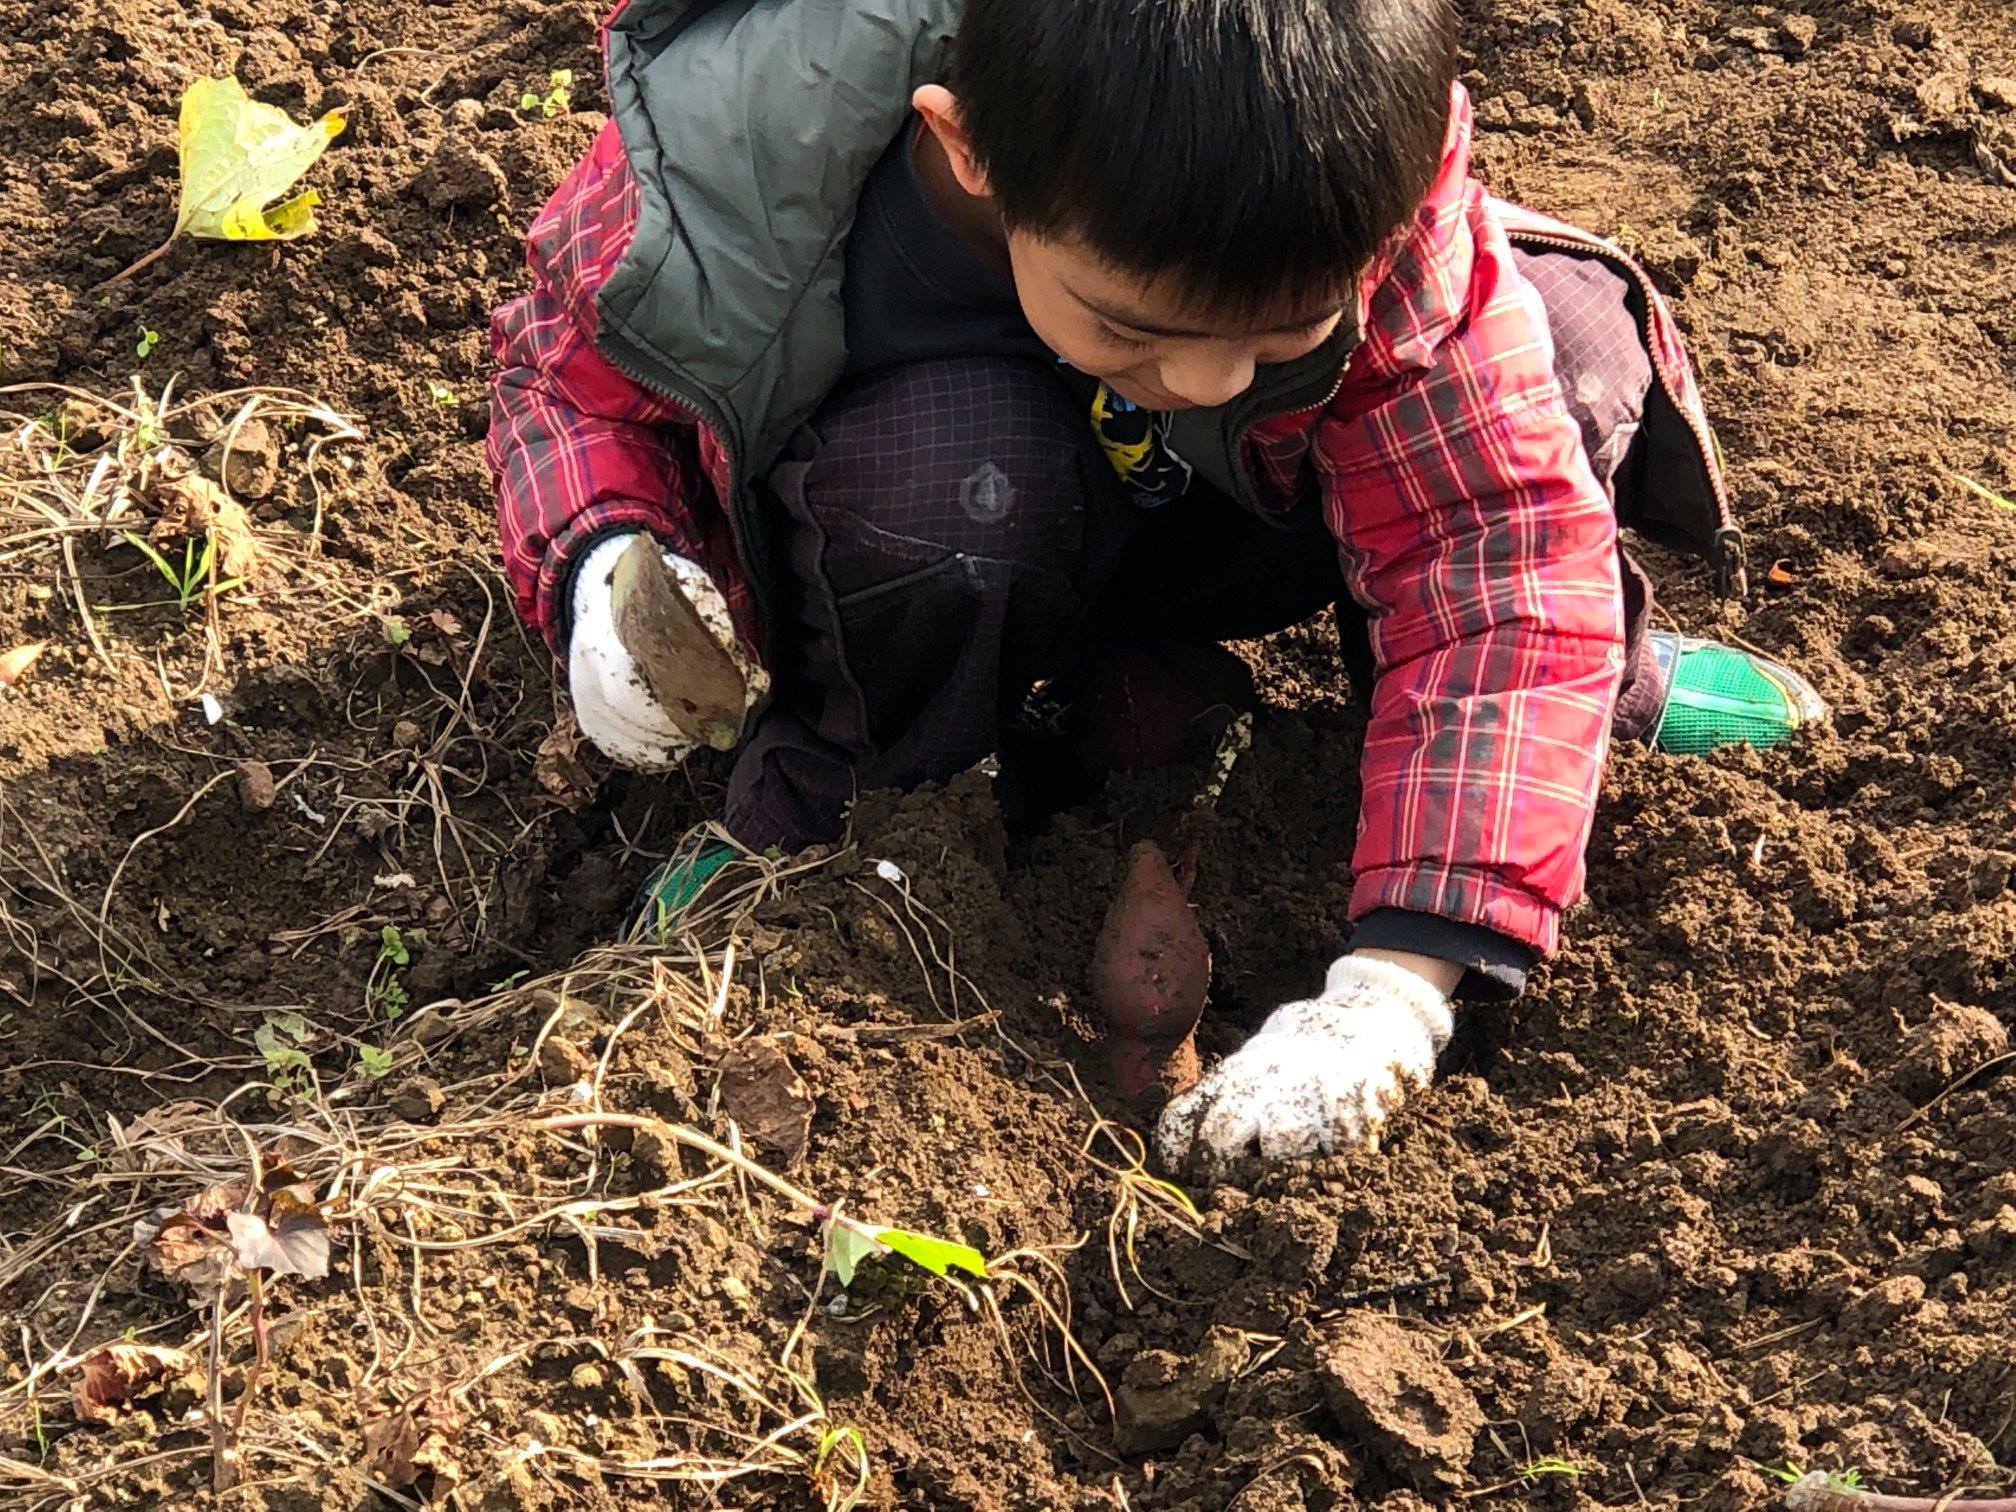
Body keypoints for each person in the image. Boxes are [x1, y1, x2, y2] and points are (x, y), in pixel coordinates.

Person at [488, 0, 1825, 1182]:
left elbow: (1486, 538)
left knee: (1567, 353)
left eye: (1279, 330)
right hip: (942, 526)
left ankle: (1561, 704)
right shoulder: (741, 142)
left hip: (1261, 515)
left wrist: (1401, 984)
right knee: (952, 492)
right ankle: (845, 808)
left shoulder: (1367, 186)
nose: (1206, 379)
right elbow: (567, 374)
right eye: (1135, 326)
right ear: (968, 148)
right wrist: (604, 563)